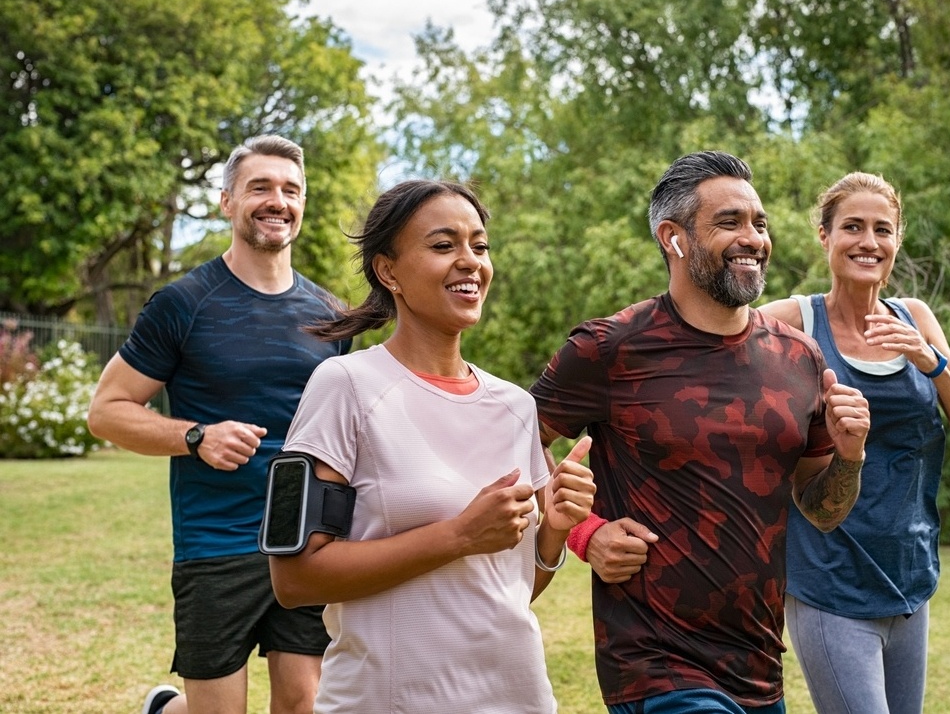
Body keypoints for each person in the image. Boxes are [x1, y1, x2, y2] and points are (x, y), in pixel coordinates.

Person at [529, 150, 872, 714]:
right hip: (653, 662)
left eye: (759, 223)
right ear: (674, 238)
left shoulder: (800, 358)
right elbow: (510, 445)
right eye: (729, 222)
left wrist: (851, 456)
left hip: (759, 667)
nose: (753, 238)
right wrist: (585, 533)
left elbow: (822, 510)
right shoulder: (609, 348)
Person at [267, 179, 596, 713]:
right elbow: (295, 579)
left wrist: (553, 532)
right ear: (388, 270)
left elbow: (506, 589)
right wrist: (459, 534)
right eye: (444, 246)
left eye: (480, 246)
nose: (470, 262)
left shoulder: (516, 406)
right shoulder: (343, 385)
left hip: (517, 698)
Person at [86, 135, 351, 714]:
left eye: (290, 190)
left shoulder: (331, 316)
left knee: (304, 704)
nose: (277, 201)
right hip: (216, 542)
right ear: (228, 201)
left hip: (305, 538)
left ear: (303, 205)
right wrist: (195, 437)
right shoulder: (183, 304)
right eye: (260, 187)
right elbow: (106, 411)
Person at [758, 172, 950, 714]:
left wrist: (930, 361)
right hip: (830, 585)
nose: (868, 241)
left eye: (882, 230)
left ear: (897, 241)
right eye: (852, 227)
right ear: (825, 236)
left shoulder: (918, 319)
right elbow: (710, 355)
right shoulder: (792, 322)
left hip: (911, 581)